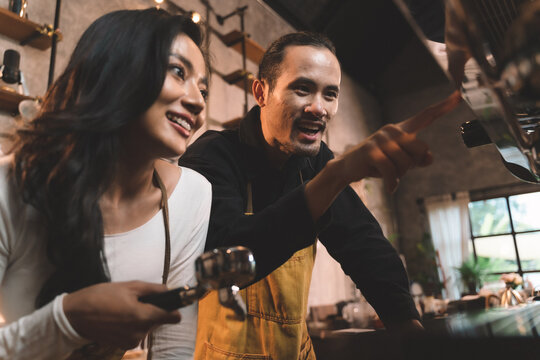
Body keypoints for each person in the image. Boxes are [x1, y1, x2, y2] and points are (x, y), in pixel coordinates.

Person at [179, 32, 461, 359]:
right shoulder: (212, 156)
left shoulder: (315, 162)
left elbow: (362, 243)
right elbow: (224, 257)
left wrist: (407, 325)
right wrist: (338, 174)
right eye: (302, 89)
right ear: (261, 92)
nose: (318, 108)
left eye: (330, 94)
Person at [0, 8, 211, 360]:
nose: (198, 103)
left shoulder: (193, 195)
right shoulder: (11, 185)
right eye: (178, 72)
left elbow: (173, 347)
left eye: (203, 89)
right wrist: (68, 320)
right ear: (116, 70)